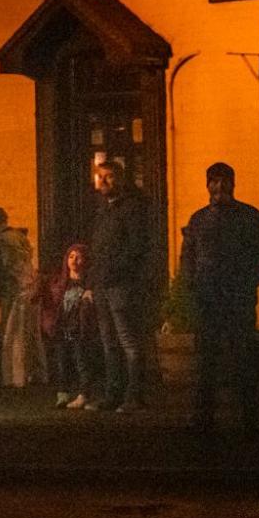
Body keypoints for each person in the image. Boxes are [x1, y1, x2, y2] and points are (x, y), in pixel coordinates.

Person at [181, 162, 259, 438]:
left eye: (224, 182)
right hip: (208, 298)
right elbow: (188, 255)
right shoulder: (198, 219)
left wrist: (248, 282)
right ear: (207, 185)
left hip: (238, 298)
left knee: (242, 359)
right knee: (206, 361)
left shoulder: (248, 216)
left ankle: (248, 419)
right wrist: (192, 284)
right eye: (214, 182)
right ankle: (204, 417)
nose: (219, 187)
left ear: (233, 183)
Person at [86, 158, 158, 413]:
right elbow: (98, 248)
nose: (103, 181)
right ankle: (113, 394)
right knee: (109, 342)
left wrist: (114, 270)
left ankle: (134, 395)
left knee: (128, 341)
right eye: (100, 176)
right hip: (104, 284)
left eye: (109, 177)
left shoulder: (131, 208)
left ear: (121, 179)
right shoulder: (103, 210)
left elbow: (136, 247)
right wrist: (92, 282)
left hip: (121, 284)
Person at [34, 242, 101, 409]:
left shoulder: (89, 284)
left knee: (81, 361)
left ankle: (83, 394)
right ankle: (62, 394)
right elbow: (46, 297)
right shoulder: (60, 281)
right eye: (71, 256)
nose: (74, 260)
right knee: (62, 362)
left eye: (78, 257)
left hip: (79, 329)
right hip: (61, 328)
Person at [0, 208, 39, 386]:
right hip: (28, 283)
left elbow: (5, 265)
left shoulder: (2, 240)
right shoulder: (18, 236)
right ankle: (32, 373)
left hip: (14, 287)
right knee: (28, 332)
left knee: (12, 332)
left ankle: (14, 376)